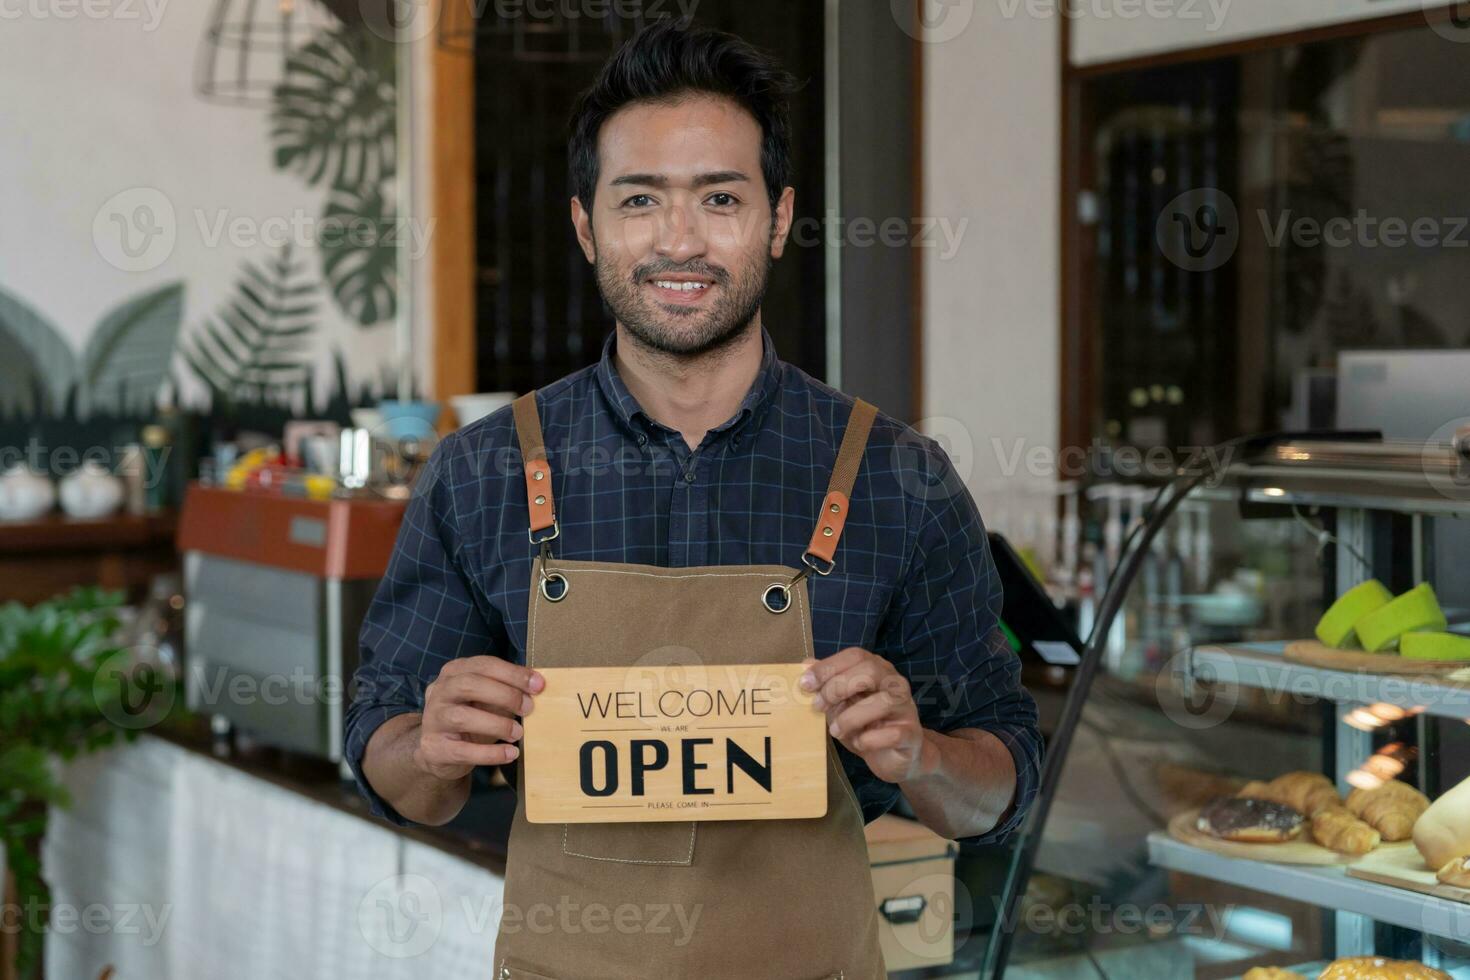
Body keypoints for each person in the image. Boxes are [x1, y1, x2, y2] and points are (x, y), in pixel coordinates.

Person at [346, 19, 1040, 978]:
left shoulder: (898, 477)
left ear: (779, 216)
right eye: (641, 200)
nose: (681, 240)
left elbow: (1000, 791)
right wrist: (429, 746)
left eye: (721, 197)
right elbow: (394, 773)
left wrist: (919, 752)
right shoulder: (482, 472)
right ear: (588, 224)